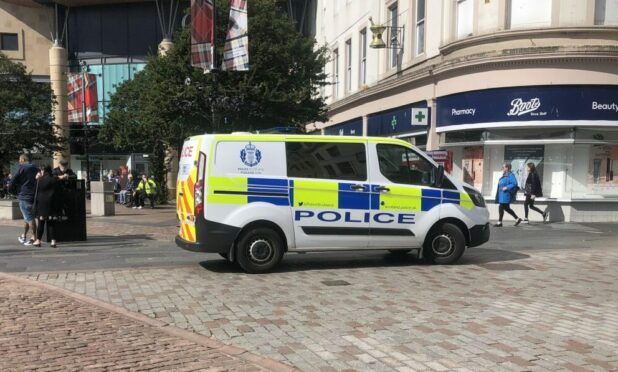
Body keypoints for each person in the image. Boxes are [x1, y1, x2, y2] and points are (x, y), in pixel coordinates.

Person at [8, 154, 39, 245]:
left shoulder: (22, 168)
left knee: (29, 218)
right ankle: (24, 235)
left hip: (24, 195)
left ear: (23, 159)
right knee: (27, 217)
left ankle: (34, 238)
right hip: (34, 195)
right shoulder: (36, 168)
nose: (19, 162)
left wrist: (11, 191)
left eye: (19, 160)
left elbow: (13, 180)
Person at [32, 166, 60, 248]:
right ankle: (53, 241)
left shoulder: (39, 180)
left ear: (43, 171)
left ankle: (38, 241)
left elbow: (34, 191)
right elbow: (59, 191)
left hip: (42, 204)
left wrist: (36, 179)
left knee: (41, 223)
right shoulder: (54, 179)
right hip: (52, 203)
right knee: (51, 223)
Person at [494, 162, 523, 227]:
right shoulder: (505, 174)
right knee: (506, 208)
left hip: (506, 195)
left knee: (501, 207)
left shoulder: (510, 175)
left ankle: (500, 222)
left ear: (507, 168)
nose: (502, 168)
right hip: (502, 194)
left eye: (503, 167)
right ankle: (517, 219)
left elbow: (514, 183)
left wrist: (506, 187)